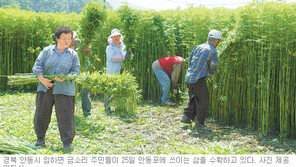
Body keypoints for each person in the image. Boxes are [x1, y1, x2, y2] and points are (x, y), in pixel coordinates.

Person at [32, 26, 80, 150]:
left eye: (69, 38)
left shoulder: (73, 54)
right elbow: (37, 65)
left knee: (66, 116)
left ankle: (66, 143)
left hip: (65, 89)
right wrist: (42, 79)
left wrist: (66, 77)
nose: (67, 41)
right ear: (57, 38)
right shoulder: (47, 51)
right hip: (45, 87)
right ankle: (40, 138)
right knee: (42, 113)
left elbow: (76, 71)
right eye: (64, 38)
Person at [180, 29, 222, 131]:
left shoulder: (198, 47)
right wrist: (209, 75)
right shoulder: (213, 51)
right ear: (215, 41)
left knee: (194, 97)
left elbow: (190, 61)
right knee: (204, 100)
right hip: (199, 79)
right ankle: (200, 124)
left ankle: (186, 117)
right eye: (219, 41)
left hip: (189, 77)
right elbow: (214, 67)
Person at [105, 29, 132, 111]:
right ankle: (107, 107)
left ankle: (119, 107)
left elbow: (128, 56)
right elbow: (111, 58)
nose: (116, 38)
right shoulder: (109, 47)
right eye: (114, 37)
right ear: (111, 38)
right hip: (112, 71)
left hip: (122, 70)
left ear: (120, 37)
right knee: (110, 88)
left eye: (117, 36)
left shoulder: (123, 46)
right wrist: (123, 57)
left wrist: (129, 55)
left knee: (120, 88)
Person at [69, 31, 92, 117]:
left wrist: (86, 51)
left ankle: (87, 112)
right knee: (71, 92)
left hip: (82, 71)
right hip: (70, 71)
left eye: (72, 38)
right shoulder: (64, 44)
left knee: (85, 91)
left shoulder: (80, 42)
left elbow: (90, 53)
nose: (70, 40)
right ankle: (71, 112)